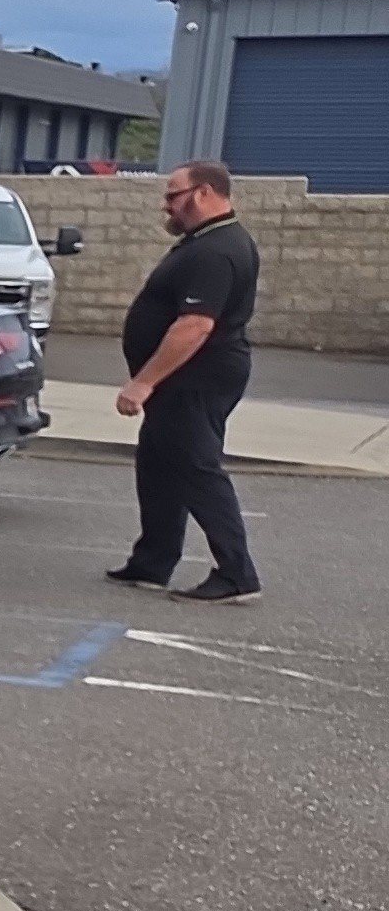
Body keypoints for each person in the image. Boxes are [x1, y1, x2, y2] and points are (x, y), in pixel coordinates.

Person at [107, 159, 264, 602]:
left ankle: (237, 574)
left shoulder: (216, 250)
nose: (166, 207)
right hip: (185, 378)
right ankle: (153, 561)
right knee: (158, 464)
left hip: (196, 377)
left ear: (202, 194)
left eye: (173, 196)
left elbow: (195, 325)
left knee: (197, 467)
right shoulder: (205, 242)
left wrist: (143, 382)